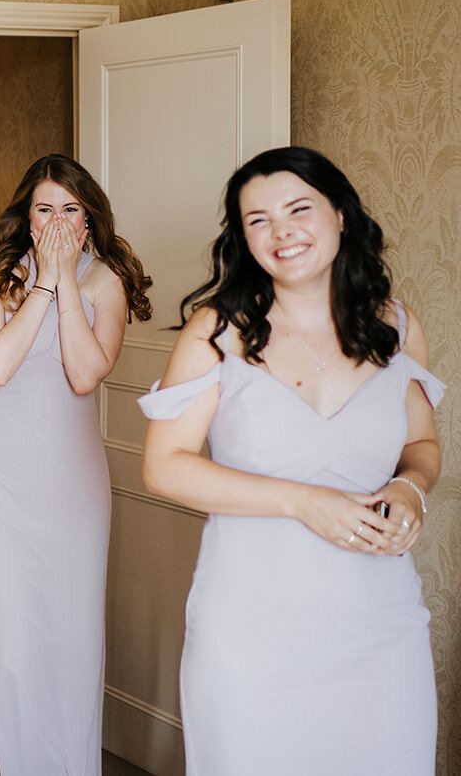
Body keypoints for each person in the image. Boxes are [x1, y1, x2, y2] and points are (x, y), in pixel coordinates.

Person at [138, 147, 441, 773]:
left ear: (340, 216)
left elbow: (421, 445)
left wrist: (411, 489)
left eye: (298, 209)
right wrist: (304, 501)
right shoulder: (216, 332)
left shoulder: (398, 327)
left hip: (381, 626)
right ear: (243, 239)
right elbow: (163, 464)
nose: (281, 232)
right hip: (252, 627)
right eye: (257, 220)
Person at [0, 154, 151, 775]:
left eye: (70, 209)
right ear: (25, 214)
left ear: (88, 220)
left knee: (67, 634)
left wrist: (67, 282)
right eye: (44, 208)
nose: (57, 219)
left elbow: (86, 373)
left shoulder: (105, 281)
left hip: (71, 483)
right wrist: (42, 282)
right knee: (5, 635)